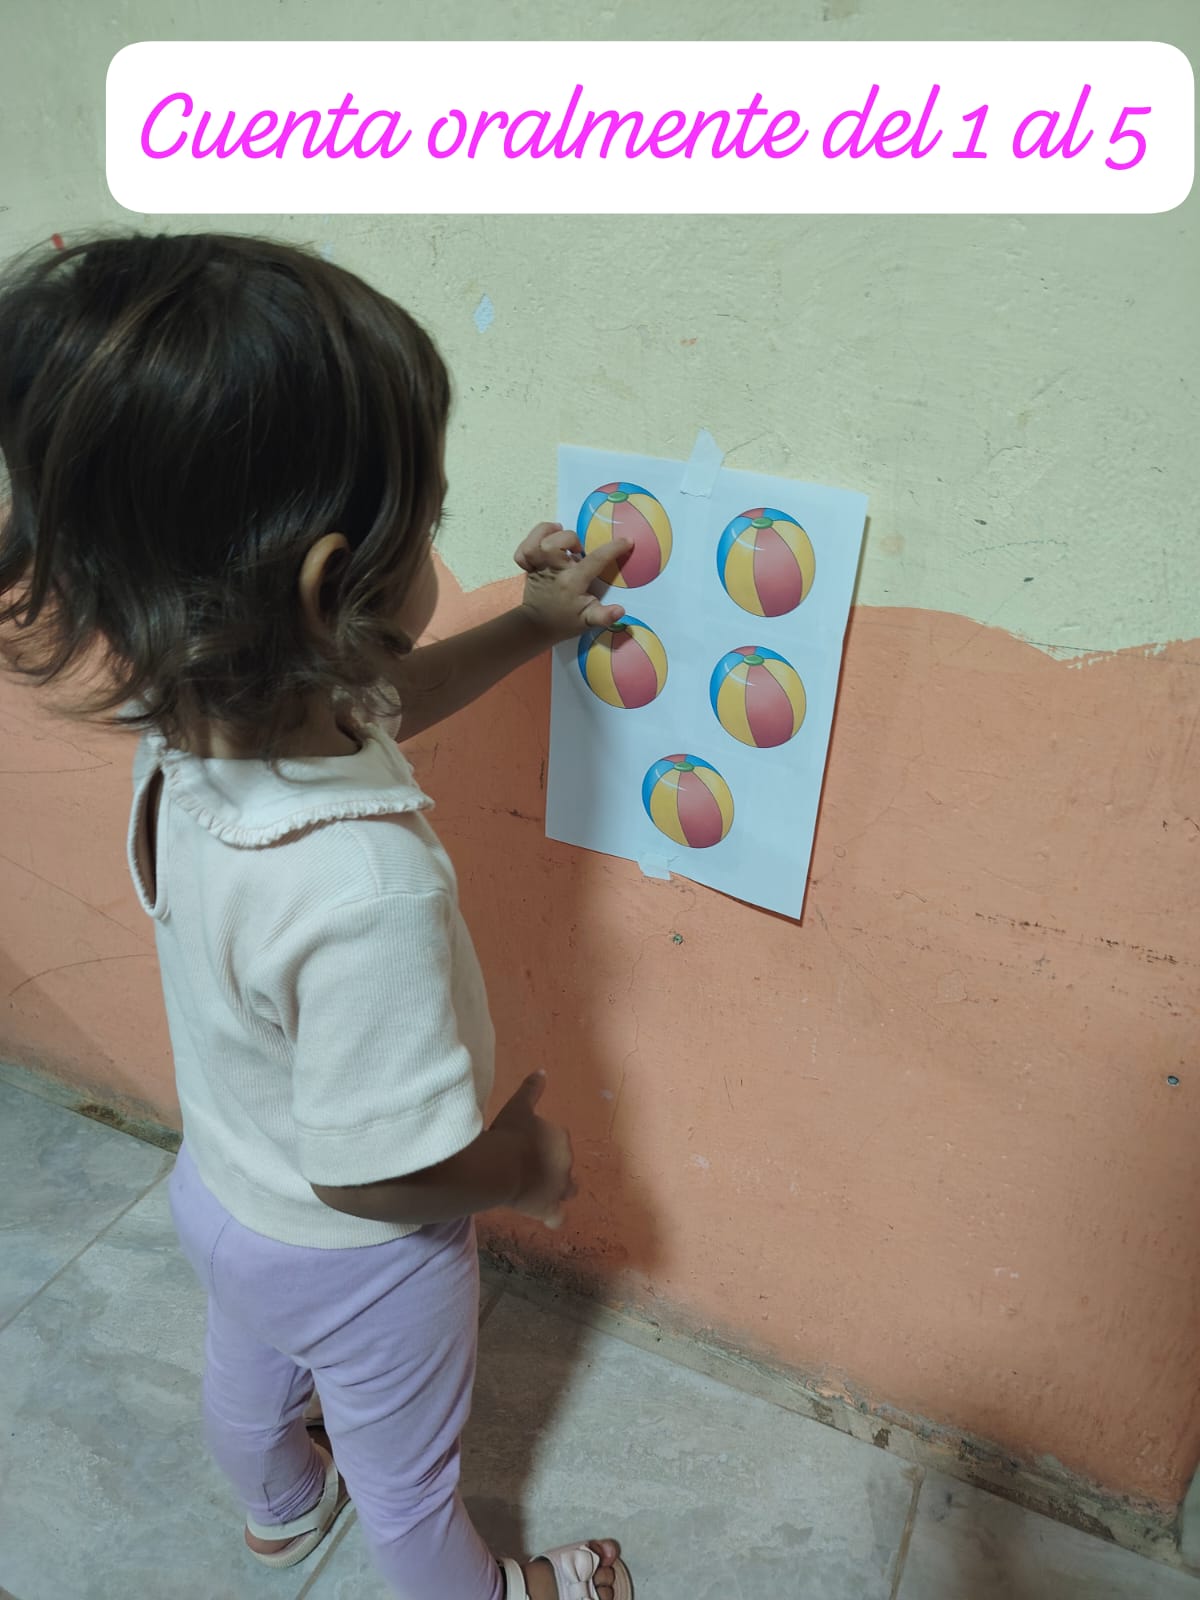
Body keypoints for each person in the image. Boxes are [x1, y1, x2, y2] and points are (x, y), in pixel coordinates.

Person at [0, 232, 635, 1600]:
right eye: (430, 524)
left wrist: (534, 626)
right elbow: (371, 1178)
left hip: (223, 1192)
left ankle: (282, 1509)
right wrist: (517, 1165)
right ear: (329, 585)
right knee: (409, 1492)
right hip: (362, 1255)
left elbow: (378, 702)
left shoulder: (190, 732)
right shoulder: (365, 884)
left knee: (248, 1372)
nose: (439, 551)